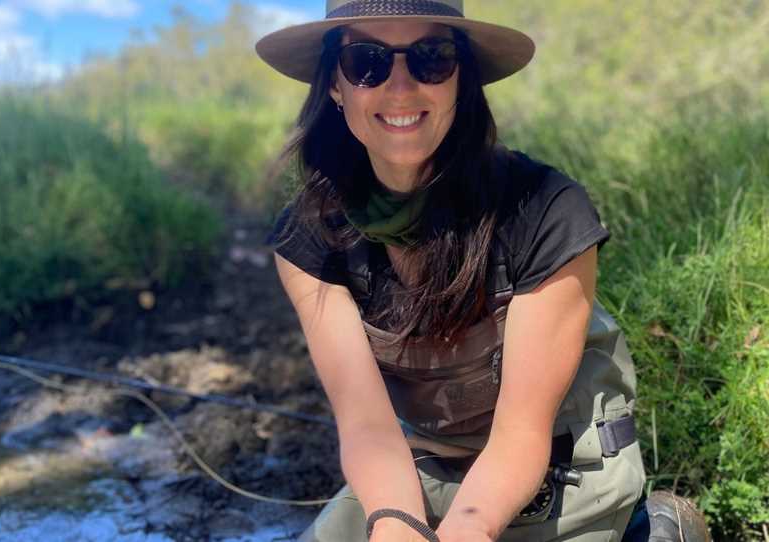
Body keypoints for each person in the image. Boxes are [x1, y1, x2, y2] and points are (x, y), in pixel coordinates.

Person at [258, 1, 647, 540]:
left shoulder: (547, 210)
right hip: (420, 468)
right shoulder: (309, 237)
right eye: (366, 61)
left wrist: (468, 530)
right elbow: (368, 427)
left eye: (430, 58)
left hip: (562, 464)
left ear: (461, 79)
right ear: (334, 85)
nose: (399, 87)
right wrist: (398, 525)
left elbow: (520, 436)